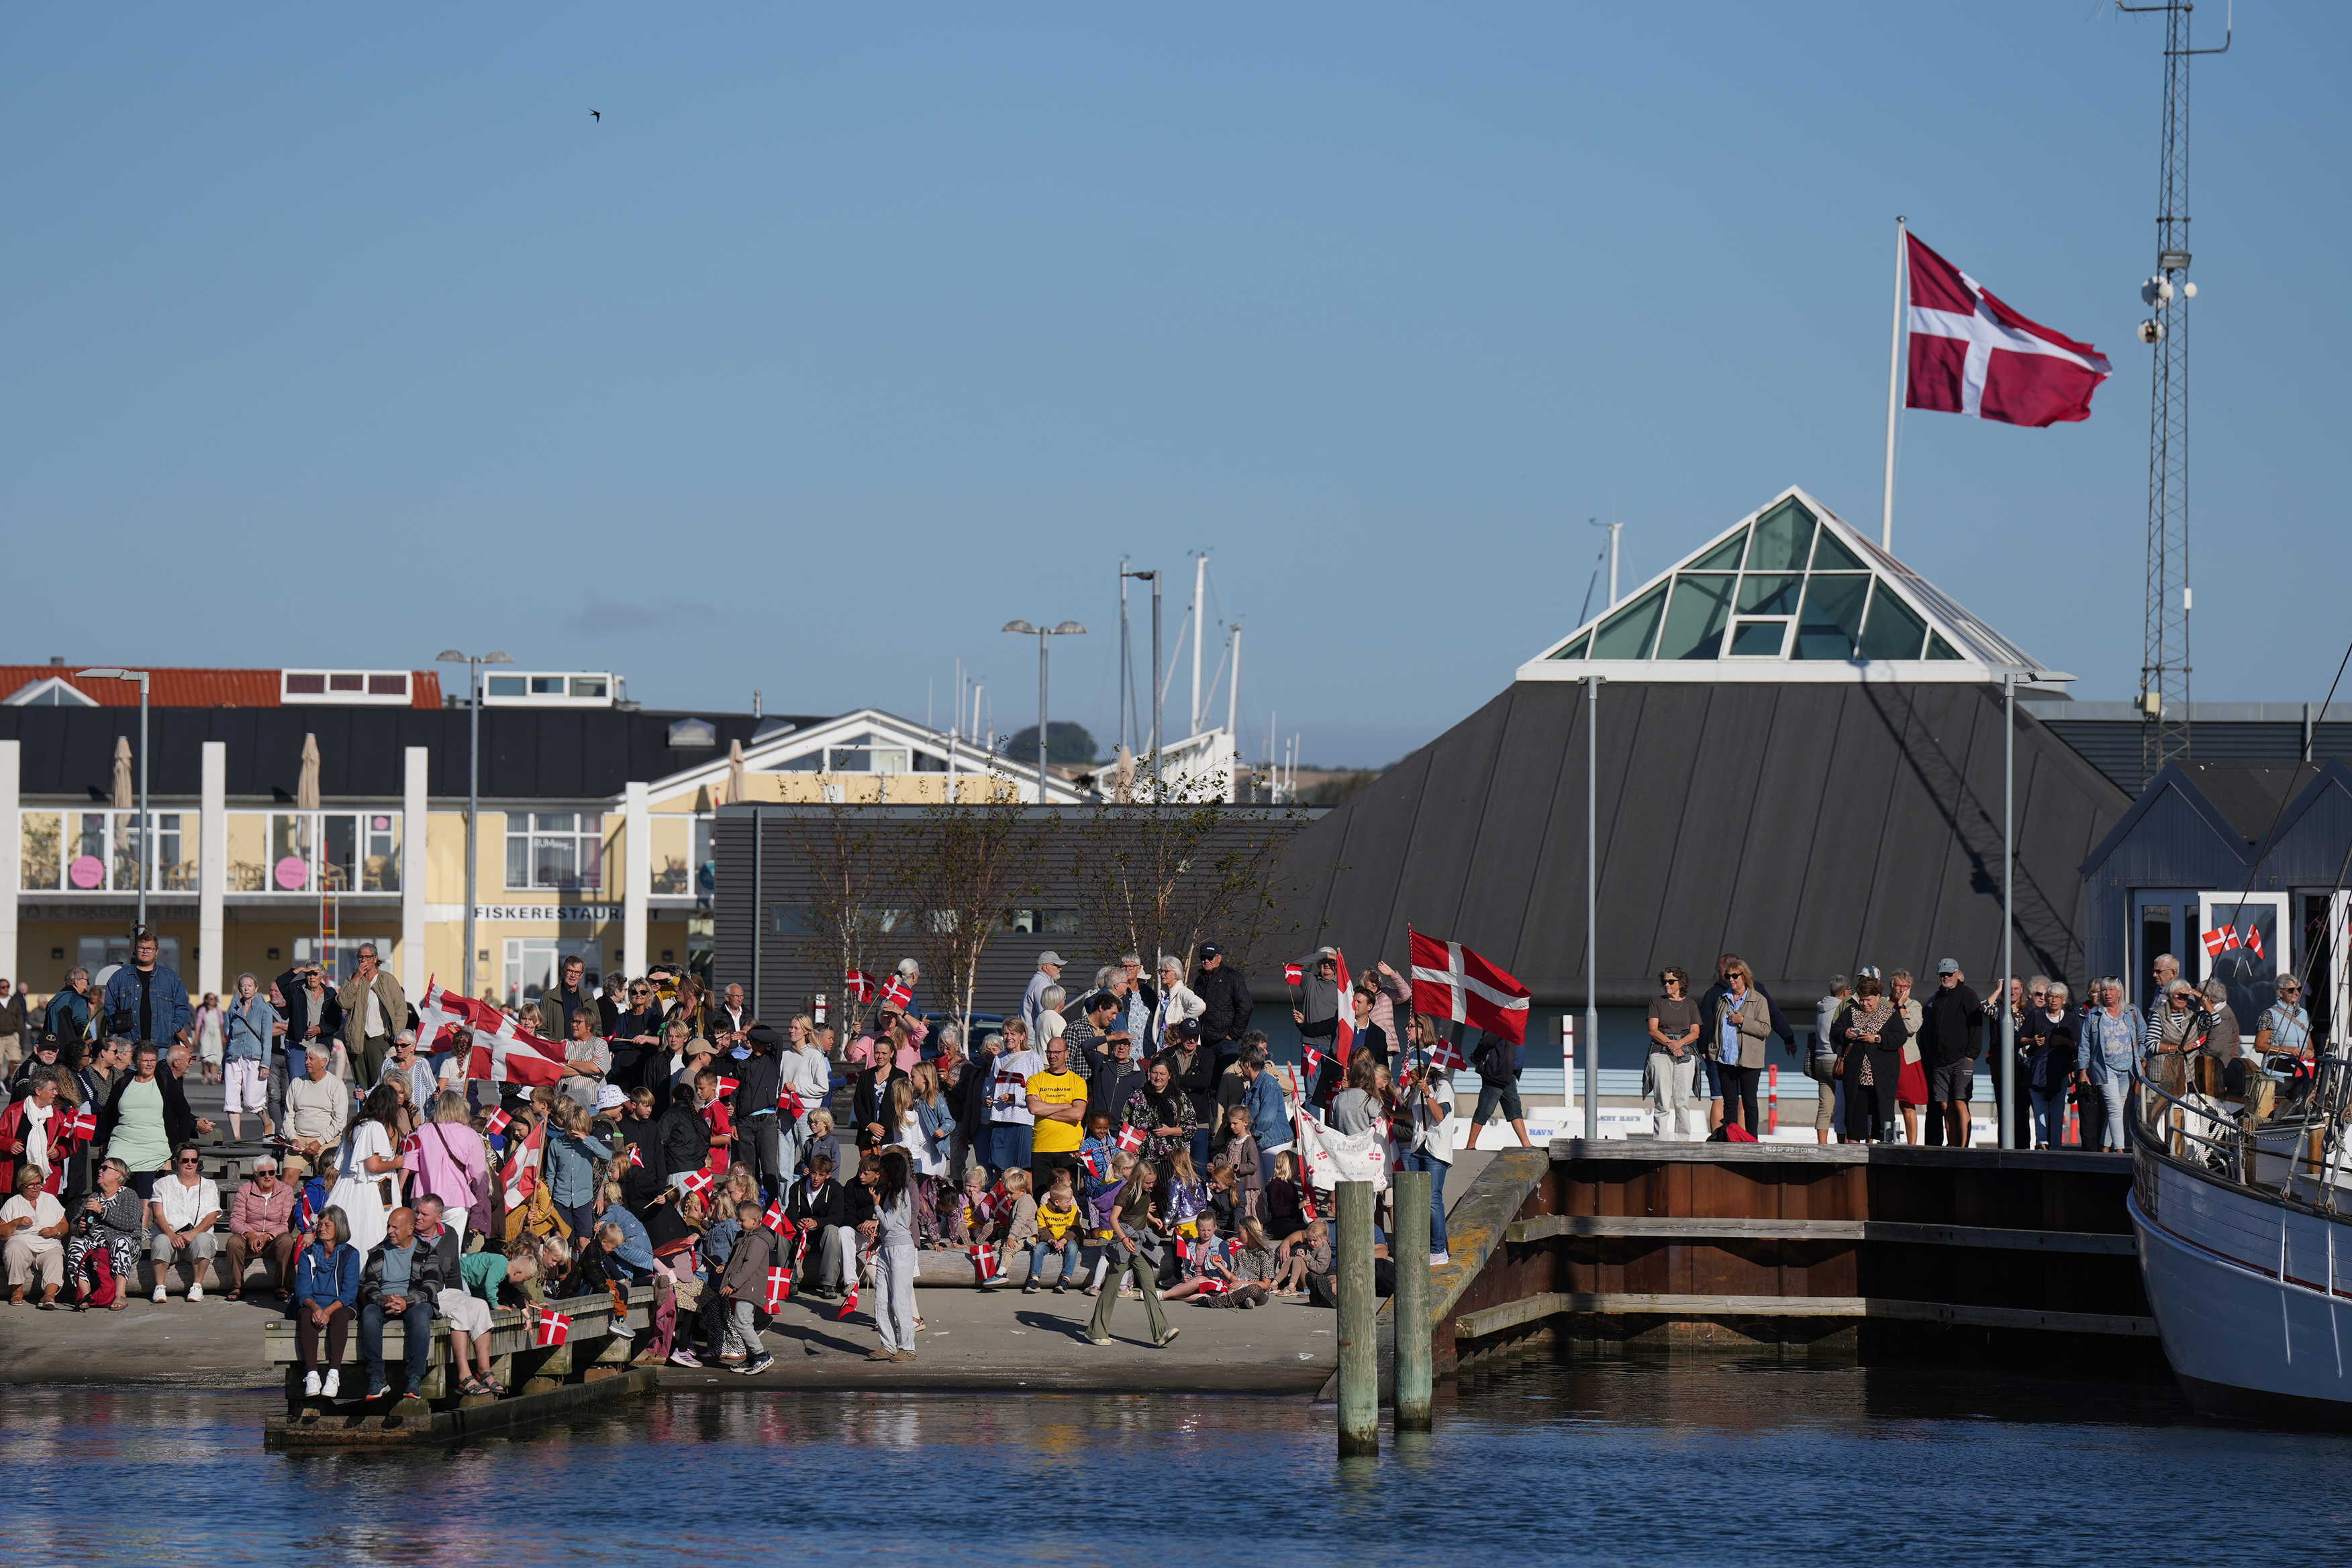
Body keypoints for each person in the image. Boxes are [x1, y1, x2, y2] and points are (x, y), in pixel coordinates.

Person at [1085, 1161, 1179, 1349]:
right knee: (1111, 1288)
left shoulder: (1144, 1193)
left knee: (1149, 1286)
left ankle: (1161, 1332)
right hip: (1124, 1243)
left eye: (1153, 1183)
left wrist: (1153, 1219)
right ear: (1138, 1179)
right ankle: (1096, 1331)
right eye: (1148, 1183)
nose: (1152, 1186)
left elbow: (1139, 1212)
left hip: (1139, 1244)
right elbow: (1113, 1218)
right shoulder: (1126, 1192)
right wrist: (1124, 1239)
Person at [101, 1041, 207, 1198]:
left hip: (154, 1143)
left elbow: (184, 1113)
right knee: (110, 1178)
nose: (149, 1064)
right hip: (123, 1142)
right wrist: (104, 1139)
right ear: (136, 1062)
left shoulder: (164, 1082)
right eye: (145, 1061)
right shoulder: (124, 1082)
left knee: (144, 1190)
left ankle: (143, 1221)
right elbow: (109, 1114)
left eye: (153, 1061)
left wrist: (181, 1145)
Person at [358, 1205, 440, 1400]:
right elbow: (369, 1286)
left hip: (415, 1301)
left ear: (410, 1229)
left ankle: (414, 1377)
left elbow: (431, 1286)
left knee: (420, 1317)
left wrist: (406, 1302)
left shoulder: (427, 1251)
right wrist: (384, 1300)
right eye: (389, 1226)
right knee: (368, 1315)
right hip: (384, 1301)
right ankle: (377, 1378)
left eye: (395, 1227)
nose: (389, 1231)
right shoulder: (378, 1251)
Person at [1395, 1016, 1456, 1264]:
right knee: (1417, 1201)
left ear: (1426, 1071)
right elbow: (1414, 1114)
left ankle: (1439, 1250)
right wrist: (1391, 1113)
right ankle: (1424, 1245)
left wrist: (1428, 1092)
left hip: (1436, 1151)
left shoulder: (1443, 1087)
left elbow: (1439, 1115)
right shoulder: (1418, 1090)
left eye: (1415, 1072)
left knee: (1432, 1200)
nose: (1410, 1075)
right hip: (1418, 1146)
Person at [293, 1206, 360, 1398]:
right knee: (306, 1315)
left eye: (327, 1225)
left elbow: (349, 1293)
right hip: (313, 1302)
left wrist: (328, 1311)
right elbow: (303, 1291)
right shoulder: (308, 1254)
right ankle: (312, 1374)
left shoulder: (350, 1254)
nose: (321, 1228)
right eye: (320, 1224)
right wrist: (315, 1307)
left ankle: (334, 1373)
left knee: (340, 1316)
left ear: (339, 1227)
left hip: (339, 1304)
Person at [1918, 959, 1984, 1148]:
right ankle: (1952, 1144)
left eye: (1949, 974)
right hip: (1940, 1061)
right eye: (1943, 974)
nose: (1946, 977)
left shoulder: (1968, 994)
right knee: (1945, 1105)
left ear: (1957, 974)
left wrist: (1972, 1054)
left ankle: (1963, 1146)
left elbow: (1977, 1026)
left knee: (1960, 1101)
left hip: (1961, 1059)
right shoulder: (1936, 998)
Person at [338, 1083, 407, 1257]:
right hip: (370, 1190)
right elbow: (373, 1165)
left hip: (350, 1189)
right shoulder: (374, 1127)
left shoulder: (356, 1124)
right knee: (369, 1234)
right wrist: (397, 1163)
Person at [1834, 975, 1906, 1144]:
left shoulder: (1890, 1015)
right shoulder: (1850, 1012)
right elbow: (1835, 1031)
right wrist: (1845, 1033)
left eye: (1868, 1000)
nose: (1864, 1003)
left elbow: (1900, 1037)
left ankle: (1883, 1152)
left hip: (1882, 1076)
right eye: (1862, 1000)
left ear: (1878, 997)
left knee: (1883, 1115)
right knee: (1854, 1116)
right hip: (1856, 1076)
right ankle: (1853, 1159)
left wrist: (1878, 1039)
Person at [148, 1142, 222, 1302]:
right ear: (177, 1161)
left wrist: (193, 1233)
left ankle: (197, 1286)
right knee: (160, 1241)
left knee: (203, 1239)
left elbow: (212, 1216)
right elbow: (158, 1215)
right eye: (185, 1160)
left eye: (194, 1160)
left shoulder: (209, 1185)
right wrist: (171, 1235)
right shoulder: (162, 1184)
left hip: (195, 1239)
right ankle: (160, 1287)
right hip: (170, 1238)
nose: (190, 1164)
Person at [867, 1147, 920, 1363]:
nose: (880, 1173)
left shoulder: (901, 1193)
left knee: (900, 1300)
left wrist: (876, 1207)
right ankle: (888, 1344)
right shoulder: (889, 1191)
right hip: (887, 1248)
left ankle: (908, 1347)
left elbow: (888, 1222)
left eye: (882, 1170)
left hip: (902, 1250)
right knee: (881, 1299)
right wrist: (878, 1239)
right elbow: (890, 1226)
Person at [715, 1198, 778, 1374]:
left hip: (748, 1287)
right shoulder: (744, 1236)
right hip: (742, 1287)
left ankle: (760, 1355)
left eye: (742, 1220)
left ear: (755, 1221)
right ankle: (751, 1358)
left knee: (742, 1322)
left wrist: (732, 1284)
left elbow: (749, 1266)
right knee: (745, 1323)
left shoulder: (758, 1241)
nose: (739, 1222)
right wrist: (726, 1268)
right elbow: (737, 1260)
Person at [101, 930, 193, 1052]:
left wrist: (171, 1028)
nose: (145, 951)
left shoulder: (171, 978)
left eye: (150, 948)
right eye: (141, 948)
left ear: (157, 952)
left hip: (163, 1046)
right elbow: (109, 1008)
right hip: (129, 1046)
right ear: (135, 950)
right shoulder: (119, 977)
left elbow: (182, 1008)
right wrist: (118, 1029)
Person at [223, 1153, 297, 1300]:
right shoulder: (245, 1190)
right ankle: (237, 1286)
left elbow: (286, 1224)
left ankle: (281, 1285)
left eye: (272, 1172)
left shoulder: (286, 1191)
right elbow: (235, 1221)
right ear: (255, 1175)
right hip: (250, 1240)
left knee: (287, 1240)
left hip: (273, 1241)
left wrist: (267, 1236)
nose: (268, 1176)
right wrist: (250, 1235)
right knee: (233, 1242)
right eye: (263, 1173)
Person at [338, 942, 407, 1091]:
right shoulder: (352, 979)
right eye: (360, 957)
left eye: (367, 957)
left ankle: (381, 1113)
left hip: (380, 1038)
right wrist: (357, 978)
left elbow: (400, 1010)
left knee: (380, 1082)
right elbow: (344, 1002)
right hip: (358, 1038)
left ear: (375, 959)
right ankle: (365, 1113)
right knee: (362, 1085)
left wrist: (397, 1039)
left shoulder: (387, 980)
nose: (363, 961)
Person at [2017, 983, 2078, 1150]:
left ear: (2064, 1000)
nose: (2053, 1000)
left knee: (2057, 1110)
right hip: (2037, 1068)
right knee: (2039, 1109)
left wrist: (2065, 1043)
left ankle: (2056, 1147)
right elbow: (2020, 1038)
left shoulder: (2070, 1019)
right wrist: (2032, 1041)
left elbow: (2078, 1044)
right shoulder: (2036, 1015)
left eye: (2057, 997)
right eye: (2051, 996)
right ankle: (2042, 1143)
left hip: (2060, 1070)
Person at [787, 1150, 855, 1298]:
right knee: (783, 1232)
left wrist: (817, 1222)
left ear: (828, 1175)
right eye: (813, 1173)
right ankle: (789, 1279)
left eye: (821, 1175)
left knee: (832, 1230)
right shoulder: (796, 1188)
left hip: (823, 1237)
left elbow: (838, 1217)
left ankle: (828, 1283)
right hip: (801, 1237)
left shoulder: (836, 1189)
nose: (816, 1178)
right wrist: (797, 1222)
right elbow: (790, 1213)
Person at [221, 973, 277, 1141]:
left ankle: (268, 1122)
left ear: (256, 988)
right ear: (239, 989)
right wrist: (221, 1065)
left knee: (252, 1100)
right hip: (233, 1056)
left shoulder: (263, 1009)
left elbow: (267, 1038)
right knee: (231, 1100)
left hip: (254, 1057)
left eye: (250, 985)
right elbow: (228, 1037)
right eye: (243, 986)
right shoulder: (234, 1008)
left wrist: (265, 1064)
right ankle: (237, 1137)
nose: (246, 988)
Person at [983, 1022, 1044, 1177]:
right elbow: (991, 1082)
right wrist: (988, 1098)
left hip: (1022, 1120)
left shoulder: (1033, 1058)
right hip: (1000, 1118)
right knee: (999, 1168)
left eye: (1013, 1034)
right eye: (1006, 1034)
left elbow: (1039, 1092)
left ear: (1022, 1036)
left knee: (1022, 1169)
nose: (1008, 1037)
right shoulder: (999, 1059)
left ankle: (1027, 1200)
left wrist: (1015, 1098)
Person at [1647, 967, 1702, 1140]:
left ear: (1681, 983)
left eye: (1671, 981)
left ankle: (1683, 1142)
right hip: (1661, 1053)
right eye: (1664, 981)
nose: (1667, 985)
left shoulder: (1691, 1004)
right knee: (1662, 1101)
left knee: (1682, 1101)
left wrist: (1680, 1044)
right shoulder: (1657, 1002)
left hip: (1685, 1053)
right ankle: (1659, 1141)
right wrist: (1671, 1045)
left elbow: (1695, 1032)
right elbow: (1653, 1030)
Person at [4, 1164, 68, 1307]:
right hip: (23, 1243)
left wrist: (55, 1230)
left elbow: (65, 1225)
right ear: (21, 1185)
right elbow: (2, 1233)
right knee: (13, 1248)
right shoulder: (12, 1203)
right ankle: (17, 1291)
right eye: (31, 1184)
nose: (36, 1187)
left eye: (39, 1183)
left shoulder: (50, 1199)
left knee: (56, 1256)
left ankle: (49, 1296)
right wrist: (15, 1223)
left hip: (48, 1245)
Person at [1463, 1028, 1530, 1150]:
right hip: (1498, 1071)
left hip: (1509, 1073)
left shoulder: (1516, 1021)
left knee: (1514, 1108)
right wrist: (1477, 1056)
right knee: (1486, 1108)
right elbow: (1487, 1041)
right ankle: (1470, 1145)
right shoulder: (1502, 1022)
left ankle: (1526, 1144)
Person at [284, 1046, 348, 1167]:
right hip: (298, 1139)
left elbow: (340, 1122)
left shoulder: (336, 1085)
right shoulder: (297, 1083)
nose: (306, 1062)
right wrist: (293, 1138)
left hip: (326, 1140)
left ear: (324, 1062)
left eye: (311, 1059)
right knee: (287, 1179)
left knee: (327, 1177)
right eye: (306, 1058)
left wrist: (319, 1142)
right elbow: (288, 1116)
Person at [1024, 1169, 1085, 1293]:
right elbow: (1042, 1229)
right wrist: (1050, 1240)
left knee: (1073, 1249)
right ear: (1057, 1202)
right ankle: (1034, 1279)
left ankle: (1066, 1278)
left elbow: (1074, 1230)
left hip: (1068, 1239)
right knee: (1038, 1249)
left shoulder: (1073, 1211)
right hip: (1050, 1240)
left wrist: (1063, 1241)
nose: (1070, 1204)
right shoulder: (1042, 1211)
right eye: (1068, 1202)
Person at [1191, 942, 1253, 1063]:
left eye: (1210, 957)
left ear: (1219, 958)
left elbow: (1246, 1006)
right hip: (1205, 1044)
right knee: (1209, 1081)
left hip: (1226, 1043)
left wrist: (1233, 1035)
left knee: (1227, 1079)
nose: (1206, 961)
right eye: (1203, 958)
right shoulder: (1199, 981)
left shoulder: (1232, 977)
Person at [1888, 971, 1928, 1144]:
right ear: (1892, 986)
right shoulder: (1882, 1003)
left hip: (1906, 1057)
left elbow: (1911, 1028)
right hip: (1884, 1055)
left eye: (1905, 987)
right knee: (1882, 1101)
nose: (1901, 990)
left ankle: (1912, 1145)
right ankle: (1876, 1139)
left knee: (1908, 1104)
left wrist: (1902, 1006)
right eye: (1898, 986)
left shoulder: (1914, 1006)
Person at [1810, 976, 1850, 1144]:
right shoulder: (1841, 1008)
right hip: (1835, 1061)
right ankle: (1843, 1142)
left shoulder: (1822, 1007)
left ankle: (1822, 1143)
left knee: (1825, 1105)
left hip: (1820, 1059)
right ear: (1845, 992)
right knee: (1843, 1104)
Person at [534, 954, 601, 1043]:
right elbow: (541, 1030)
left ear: (581, 975)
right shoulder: (548, 997)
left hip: (584, 1053)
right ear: (563, 971)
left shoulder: (588, 997)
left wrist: (585, 1044)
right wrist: (559, 1046)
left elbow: (597, 1028)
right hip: (557, 1053)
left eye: (577, 972)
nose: (573, 975)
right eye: (570, 971)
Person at [1148, 953, 1206, 1052]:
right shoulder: (1166, 994)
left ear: (1176, 973)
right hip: (1163, 1045)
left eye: (1166, 971)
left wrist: (1181, 1023)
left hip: (1179, 1046)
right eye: (1161, 971)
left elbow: (1200, 1006)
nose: (1162, 974)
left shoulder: (1183, 992)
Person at [43, 968, 94, 1053]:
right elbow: (81, 1022)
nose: (88, 984)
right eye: (87, 980)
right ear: (77, 982)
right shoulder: (77, 999)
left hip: (51, 1048)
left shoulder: (55, 999)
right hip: (69, 1050)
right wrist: (88, 1038)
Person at [1019, 952, 1066, 1043]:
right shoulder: (1042, 984)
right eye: (1057, 965)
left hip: (1032, 1038)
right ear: (1045, 967)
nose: (1060, 968)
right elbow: (1047, 1013)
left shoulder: (1041, 981)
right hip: (1034, 1041)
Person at [192, 991, 224, 1084]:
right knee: (205, 1056)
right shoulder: (202, 1010)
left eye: (214, 998)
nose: (213, 1000)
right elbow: (198, 1024)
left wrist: (223, 1036)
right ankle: (206, 1075)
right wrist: (197, 1037)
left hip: (217, 1035)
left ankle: (213, 1077)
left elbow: (221, 1023)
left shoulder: (218, 1009)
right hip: (206, 1035)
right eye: (211, 999)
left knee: (216, 1055)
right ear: (206, 1000)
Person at [0, 977, 26, 1078]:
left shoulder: (14, 1001)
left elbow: (20, 1017)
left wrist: (20, 1033)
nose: (6, 989)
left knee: (16, 1060)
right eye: (3, 987)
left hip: (12, 1035)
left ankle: (8, 1078)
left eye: (8, 986)